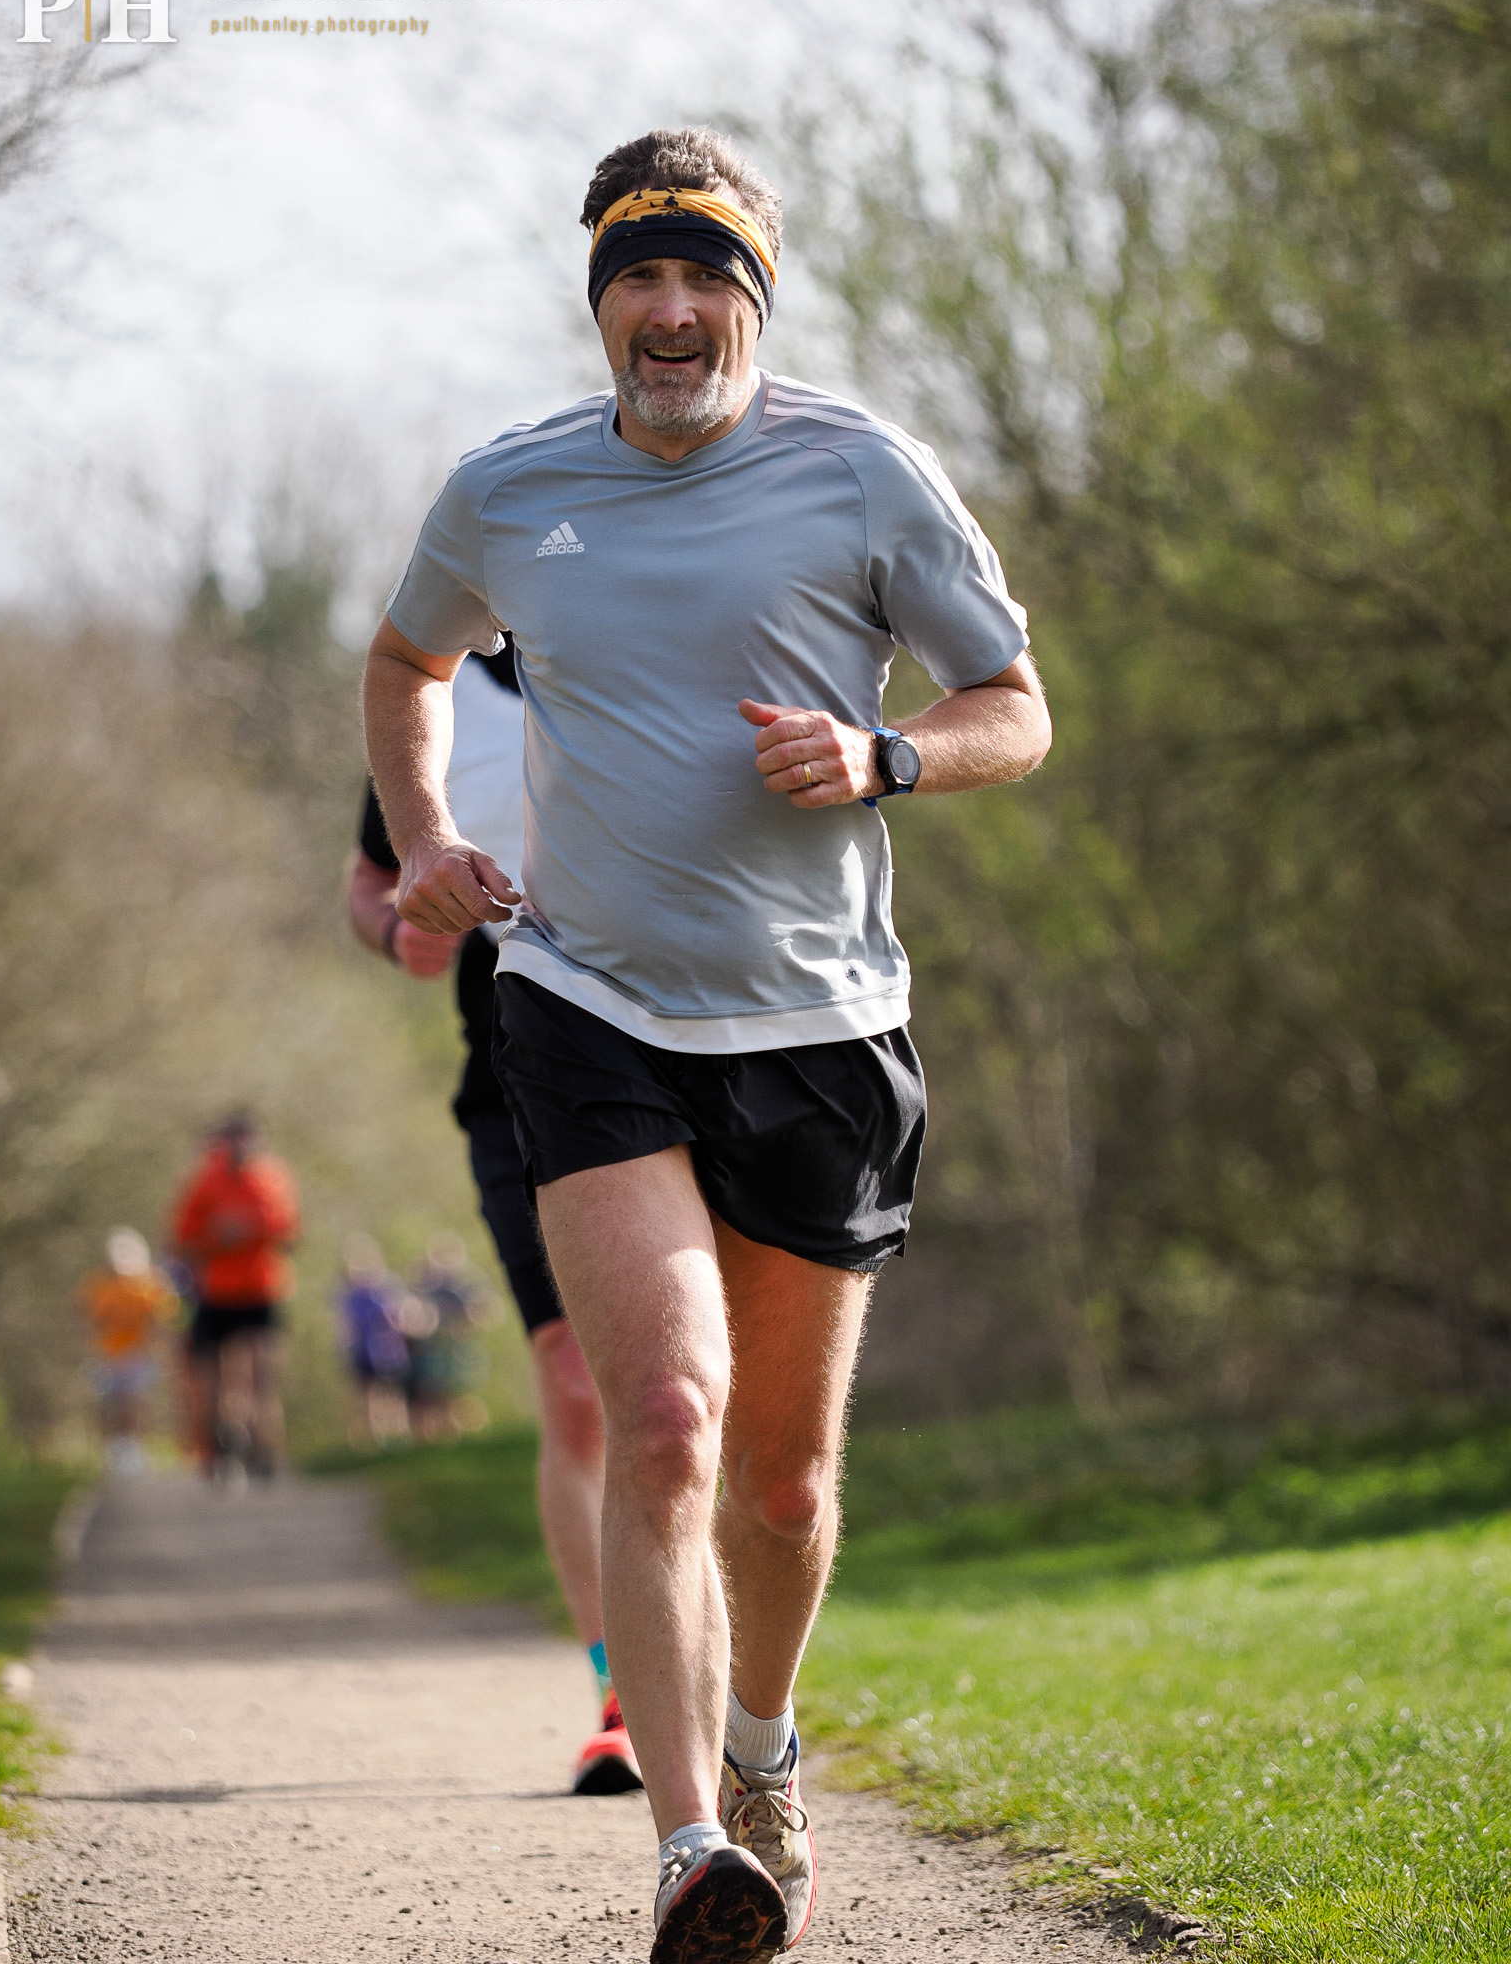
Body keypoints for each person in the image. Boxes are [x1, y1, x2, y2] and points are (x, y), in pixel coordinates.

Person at [363, 125, 1052, 1963]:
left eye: (704, 281)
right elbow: (404, 660)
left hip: (826, 1022)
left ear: (752, 296)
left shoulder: (863, 474)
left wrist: (886, 753)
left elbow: (1014, 706)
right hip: (584, 1000)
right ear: (600, 302)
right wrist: (426, 843)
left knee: (783, 1479)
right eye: (638, 282)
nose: (671, 314)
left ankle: (761, 1756)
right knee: (659, 1416)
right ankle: (688, 1853)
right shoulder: (509, 490)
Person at [347, 646, 641, 1797]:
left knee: (696, 1390)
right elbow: (368, 876)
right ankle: (624, 1688)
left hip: (691, 1054)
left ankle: (732, 1670)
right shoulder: (435, 687)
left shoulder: (656, 632)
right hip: (514, 1079)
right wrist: (398, 931)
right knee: (578, 1384)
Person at [170, 1114, 300, 1484]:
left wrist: (251, 1229)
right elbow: (182, 1237)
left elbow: (289, 1231)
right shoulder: (204, 1181)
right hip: (216, 1292)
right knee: (216, 1377)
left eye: (247, 1140)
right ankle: (217, 1450)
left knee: (261, 1373)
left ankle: (265, 1450)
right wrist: (216, 1237)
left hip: (261, 1290)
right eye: (232, 1141)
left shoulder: (274, 1178)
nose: (240, 1149)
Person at [73, 1228, 177, 1474]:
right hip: (109, 1355)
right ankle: (116, 1448)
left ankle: (133, 1448)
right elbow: (83, 1312)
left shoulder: (151, 1284)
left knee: (134, 1400)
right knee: (113, 1403)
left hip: (139, 1354)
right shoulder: (101, 1286)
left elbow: (162, 1320)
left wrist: (158, 1348)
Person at [399, 1230, 500, 1441]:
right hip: (434, 1350)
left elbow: (489, 1312)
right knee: (436, 1396)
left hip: (461, 1350)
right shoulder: (427, 1284)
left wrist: (465, 1318)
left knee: (462, 1396)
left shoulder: (467, 1283)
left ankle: (472, 1437)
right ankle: (446, 1439)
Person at [335, 1233, 411, 1446]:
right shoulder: (349, 1295)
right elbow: (346, 1325)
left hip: (388, 1351)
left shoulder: (388, 1288)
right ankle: (372, 1438)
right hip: (362, 1351)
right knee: (366, 1395)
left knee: (392, 1393)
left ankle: (398, 1435)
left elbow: (401, 1317)